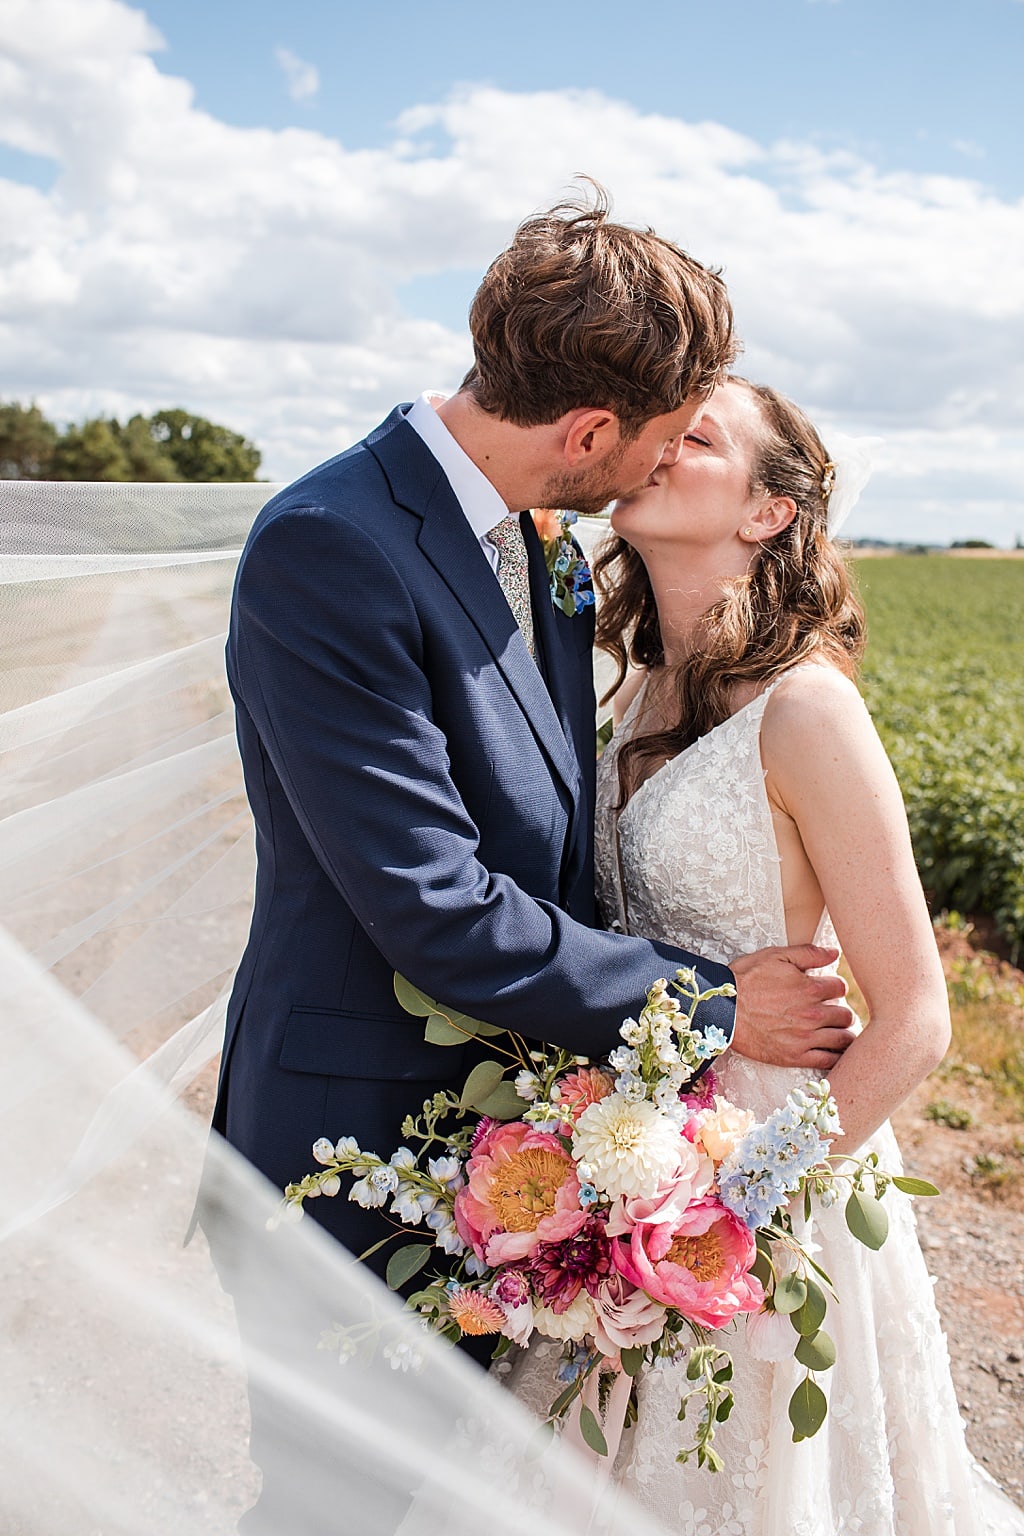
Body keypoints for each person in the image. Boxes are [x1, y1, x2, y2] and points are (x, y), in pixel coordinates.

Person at [207, 191, 856, 1531]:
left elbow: (561, 853)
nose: (665, 466)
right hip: (360, 1152)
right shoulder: (332, 548)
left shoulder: (548, 544)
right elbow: (439, 910)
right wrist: (723, 999)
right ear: (589, 433)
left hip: (535, 1161)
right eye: (668, 438)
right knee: (339, 1507)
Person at [502, 375, 1023, 1534]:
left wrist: (729, 1203)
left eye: (694, 437)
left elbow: (917, 1018)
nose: (657, 444)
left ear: (766, 514)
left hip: (770, 1175)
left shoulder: (805, 714)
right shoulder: (626, 685)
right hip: (625, 1148)